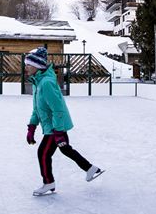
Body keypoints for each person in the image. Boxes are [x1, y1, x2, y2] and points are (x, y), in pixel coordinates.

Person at [24, 47, 103, 196]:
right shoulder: (37, 82)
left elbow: (58, 109)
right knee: (66, 149)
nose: (25, 67)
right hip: (54, 125)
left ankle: (48, 183)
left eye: (28, 64)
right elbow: (36, 108)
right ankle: (91, 169)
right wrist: (31, 127)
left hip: (55, 126)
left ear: (38, 65)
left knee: (43, 153)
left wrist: (58, 132)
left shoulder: (46, 83)